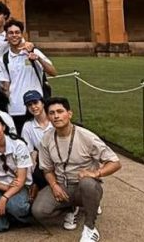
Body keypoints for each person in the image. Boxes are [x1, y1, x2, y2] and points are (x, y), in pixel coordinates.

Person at [32, 97, 121, 242]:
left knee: (88, 183)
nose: (56, 116)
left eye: (60, 111)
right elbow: (47, 169)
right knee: (39, 211)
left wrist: (96, 173)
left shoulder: (86, 137)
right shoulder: (46, 139)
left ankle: (90, 227)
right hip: (62, 185)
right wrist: (54, 185)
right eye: (52, 113)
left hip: (83, 185)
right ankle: (72, 208)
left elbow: (115, 162)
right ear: (48, 117)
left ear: (69, 114)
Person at [0, 112, 33, 232]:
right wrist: (5, 188)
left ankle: (24, 214)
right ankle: (5, 215)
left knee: (16, 206)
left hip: (19, 185)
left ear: (3, 127)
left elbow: (21, 179)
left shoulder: (18, 145)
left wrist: (4, 198)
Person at [3, 19, 57, 131]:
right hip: (16, 108)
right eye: (11, 33)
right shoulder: (4, 58)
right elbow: (6, 86)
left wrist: (38, 59)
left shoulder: (33, 51)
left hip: (36, 105)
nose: (14, 35)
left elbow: (53, 72)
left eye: (17, 32)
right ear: (6, 36)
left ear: (21, 34)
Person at [20, 90, 53, 197]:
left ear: (42, 103)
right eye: (29, 105)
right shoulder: (28, 126)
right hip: (44, 159)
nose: (33, 107)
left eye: (35, 103)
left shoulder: (54, 120)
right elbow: (30, 152)